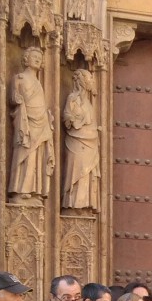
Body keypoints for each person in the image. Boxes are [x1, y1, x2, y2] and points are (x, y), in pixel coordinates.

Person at [8, 46, 54, 197]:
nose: (38, 59)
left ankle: (34, 189)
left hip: (41, 121)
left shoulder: (39, 83)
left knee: (37, 156)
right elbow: (13, 98)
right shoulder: (19, 78)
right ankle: (21, 189)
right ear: (26, 59)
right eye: (34, 56)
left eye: (40, 57)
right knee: (26, 152)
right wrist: (17, 99)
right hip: (26, 122)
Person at [62, 68, 101, 210]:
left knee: (88, 173)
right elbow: (66, 116)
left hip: (90, 142)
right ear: (82, 81)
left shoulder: (89, 103)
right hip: (76, 142)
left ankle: (85, 204)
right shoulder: (73, 98)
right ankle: (73, 205)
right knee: (77, 171)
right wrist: (74, 121)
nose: (92, 81)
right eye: (89, 78)